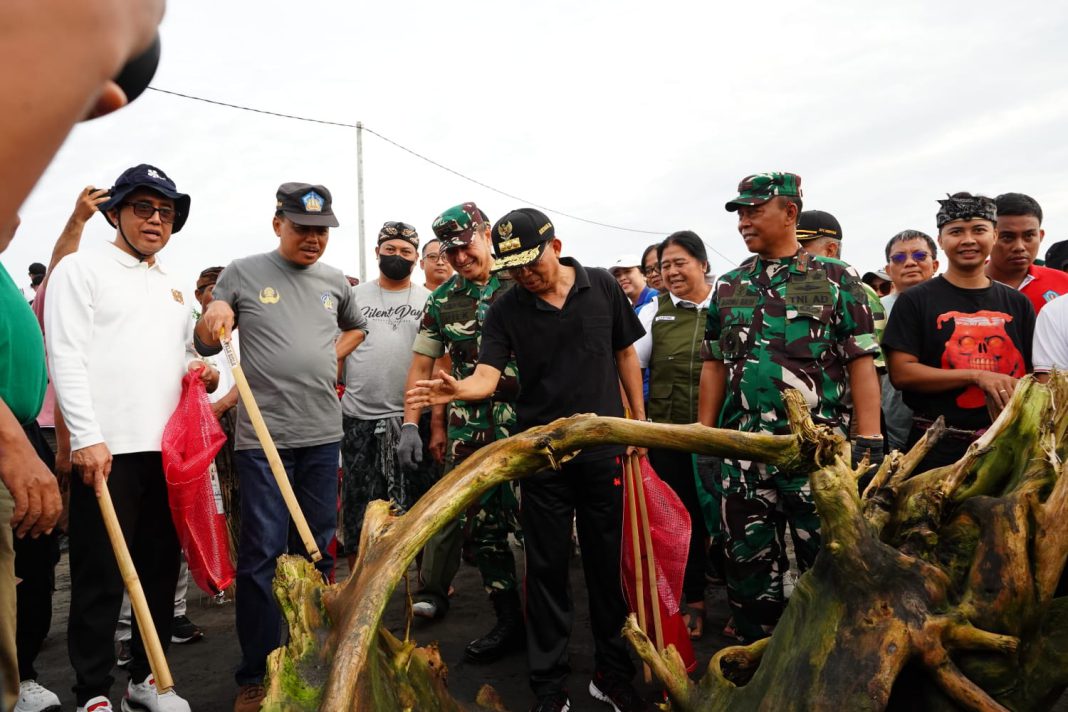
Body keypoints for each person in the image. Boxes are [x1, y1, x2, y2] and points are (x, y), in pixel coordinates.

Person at [408, 207, 652, 712]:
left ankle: (611, 671)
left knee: (606, 568)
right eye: (514, 267)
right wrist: (459, 389)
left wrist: (638, 424)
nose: (524, 274)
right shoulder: (507, 308)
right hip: (542, 457)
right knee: (545, 569)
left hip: (603, 450)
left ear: (555, 247)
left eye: (530, 263)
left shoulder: (602, 287)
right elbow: (488, 378)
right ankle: (548, 683)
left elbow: (625, 354)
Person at [46, 164, 212, 712]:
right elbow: (65, 355)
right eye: (143, 207)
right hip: (107, 452)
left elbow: (187, 354)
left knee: (161, 572)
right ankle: (92, 691)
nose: (155, 219)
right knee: (98, 576)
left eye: (165, 211)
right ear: (115, 211)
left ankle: (148, 680)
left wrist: (204, 371)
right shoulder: (81, 270)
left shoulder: (171, 284)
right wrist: (87, 438)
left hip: (166, 453)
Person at [194, 182, 367, 712]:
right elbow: (207, 338)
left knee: (319, 547)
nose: (313, 240)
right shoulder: (243, 272)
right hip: (262, 438)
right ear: (278, 225)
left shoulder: (335, 281)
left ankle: (316, 651)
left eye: (321, 231)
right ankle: (257, 670)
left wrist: (323, 354)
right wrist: (214, 316)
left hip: (321, 432)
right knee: (262, 553)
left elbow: (356, 329)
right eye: (302, 229)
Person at [697, 173, 882, 644]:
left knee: (830, 556)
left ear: (790, 213)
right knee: (747, 562)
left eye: (754, 210)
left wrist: (870, 437)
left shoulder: (837, 280)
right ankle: (759, 651)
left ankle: (835, 651)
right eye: (739, 213)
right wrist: (704, 437)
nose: (743, 222)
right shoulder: (730, 286)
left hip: (816, 451)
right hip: (745, 452)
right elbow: (714, 363)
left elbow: (861, 361)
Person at [399, 202, 524, 664]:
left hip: (527, 422)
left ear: (486, 233)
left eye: (465, 244)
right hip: (469, 431)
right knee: (486, 530)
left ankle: (549, 617)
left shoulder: (521, 280)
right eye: (448, 251)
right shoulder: (441, 299)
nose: (458, 256)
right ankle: (508, 619)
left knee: (536, 523)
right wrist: (410, 423)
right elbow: (421, 365)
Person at [883, 193, 1035, 472]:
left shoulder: (1017, 303)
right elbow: (902, 373)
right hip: (935, 446)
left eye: (978, 230)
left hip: (1008, 444)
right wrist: (976, 375)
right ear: (941, 241)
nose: (968, 240)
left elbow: (1033, 374)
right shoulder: (916, 300)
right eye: (956, 232)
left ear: (994, 235)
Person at [633, 230, 715, 639]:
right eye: (664, 266)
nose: (671, 271)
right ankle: (693, 601)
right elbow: (630, 360)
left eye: (679, 262)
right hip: (670, 434)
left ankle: (747, 603)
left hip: (725, 432)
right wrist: (637, 420)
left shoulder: (728, 303)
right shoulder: (654, 313)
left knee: (731, 517)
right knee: (683, 518)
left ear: (703, 263)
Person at [338, 222, 431, 568]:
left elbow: (435, 361)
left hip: (412, 419)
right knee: (360, 505)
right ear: (377, 251)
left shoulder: (427, 299)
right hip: (358, 416)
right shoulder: (354, 297)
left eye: (405, 251)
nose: (397, 256)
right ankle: (358, 582)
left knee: (417, 503)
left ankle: (422, 581)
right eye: (390, 249)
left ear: (416, 258)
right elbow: (336, 350)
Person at [795, 210, 887, 373]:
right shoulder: (786, 287)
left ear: (830, 250)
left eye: (802, 246)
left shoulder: (857, 290)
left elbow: (871, 363)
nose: (794, 253)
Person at [880, 230, 940, 452]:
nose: (910, 263)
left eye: (919, 256)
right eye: (899, 258)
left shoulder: (951, 307)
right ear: (888, 270)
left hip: (940, 427)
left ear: (935, 265)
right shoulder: (872, 311)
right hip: (886, 424)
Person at [987, 192, 1068, 314]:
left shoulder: (1064, 284)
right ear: (988, 237)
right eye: (1007, 237)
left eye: (1029, 236)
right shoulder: (960, 287)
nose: (1019, 247)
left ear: (1040, 236)